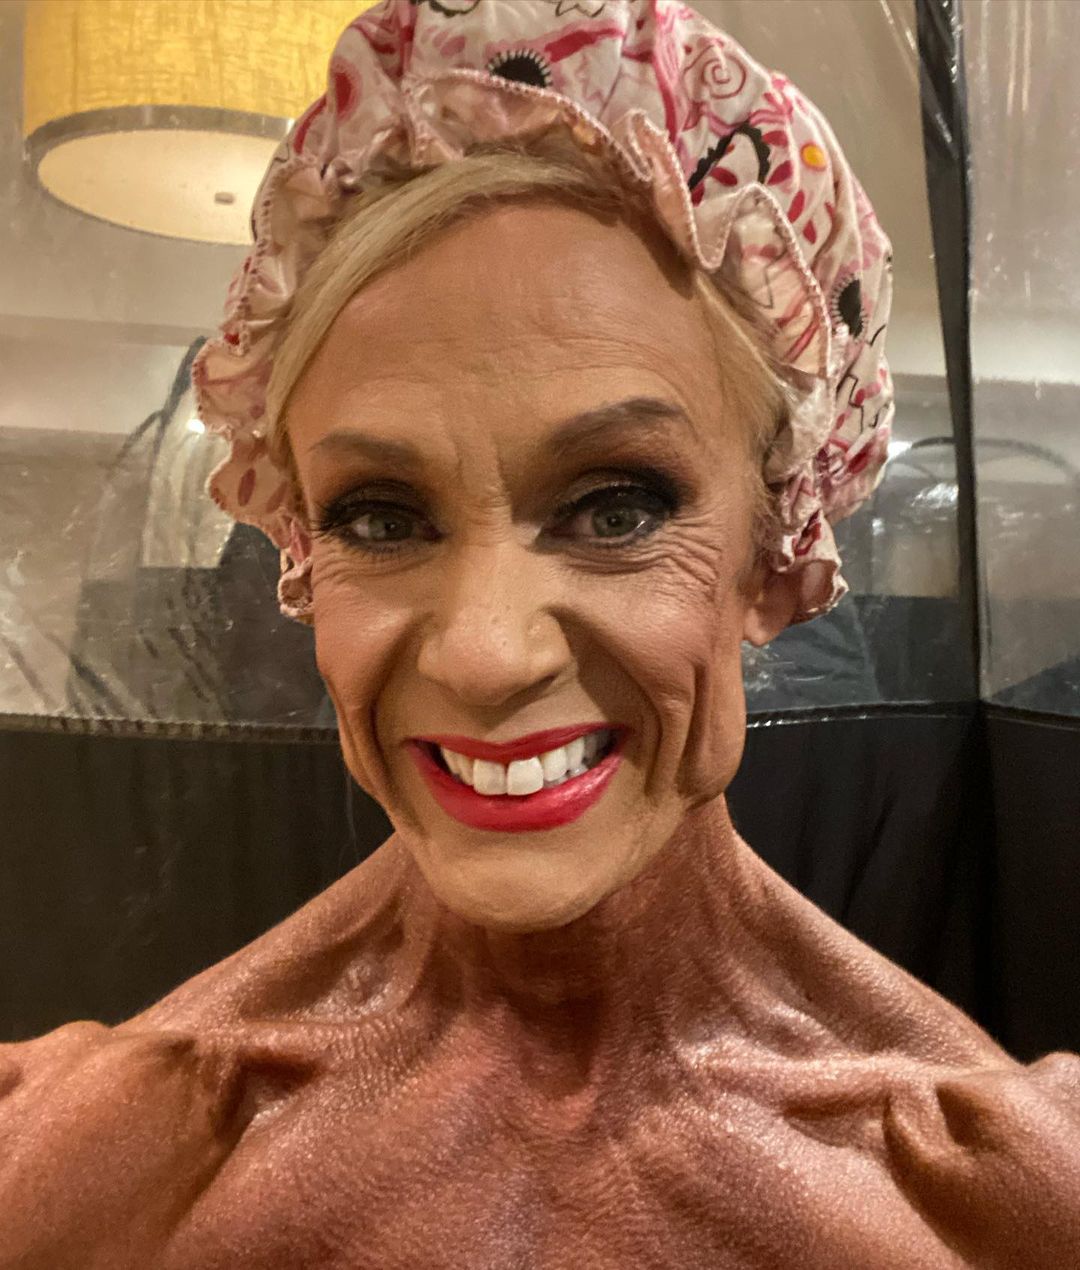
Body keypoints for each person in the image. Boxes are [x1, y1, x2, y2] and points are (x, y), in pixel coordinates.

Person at [2, 2, 1078, 1266]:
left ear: (775, 548)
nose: (486, 654)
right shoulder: (71, 1166)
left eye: (616, 507)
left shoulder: (1002, 1194)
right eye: (381, 516)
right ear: (300, 551)